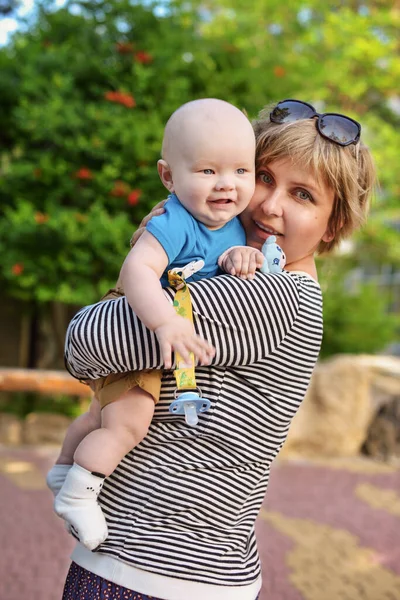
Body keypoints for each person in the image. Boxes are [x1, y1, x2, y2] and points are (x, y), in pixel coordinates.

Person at [60, 99, 376, 600]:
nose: (270, 205)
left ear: (334, 224)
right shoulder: (239, 269)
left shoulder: (271, 296)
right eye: (265, 177)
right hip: (188, 570)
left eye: (302, 195)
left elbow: (86, 342)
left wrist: (149, 259)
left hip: (152, 567)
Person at [47, 98, 257, 550]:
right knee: (129, 424)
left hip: (158, 328)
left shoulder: (235, 225)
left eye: (242, 171)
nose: (227, 184)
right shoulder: (174, 220)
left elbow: (220, 264)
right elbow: (135, 272)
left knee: (100, 414)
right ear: (168, 176)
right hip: (140, 320)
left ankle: (65, 463)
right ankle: (78, 493)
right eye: (207, 171)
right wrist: (164, 323)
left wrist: (243, 255)